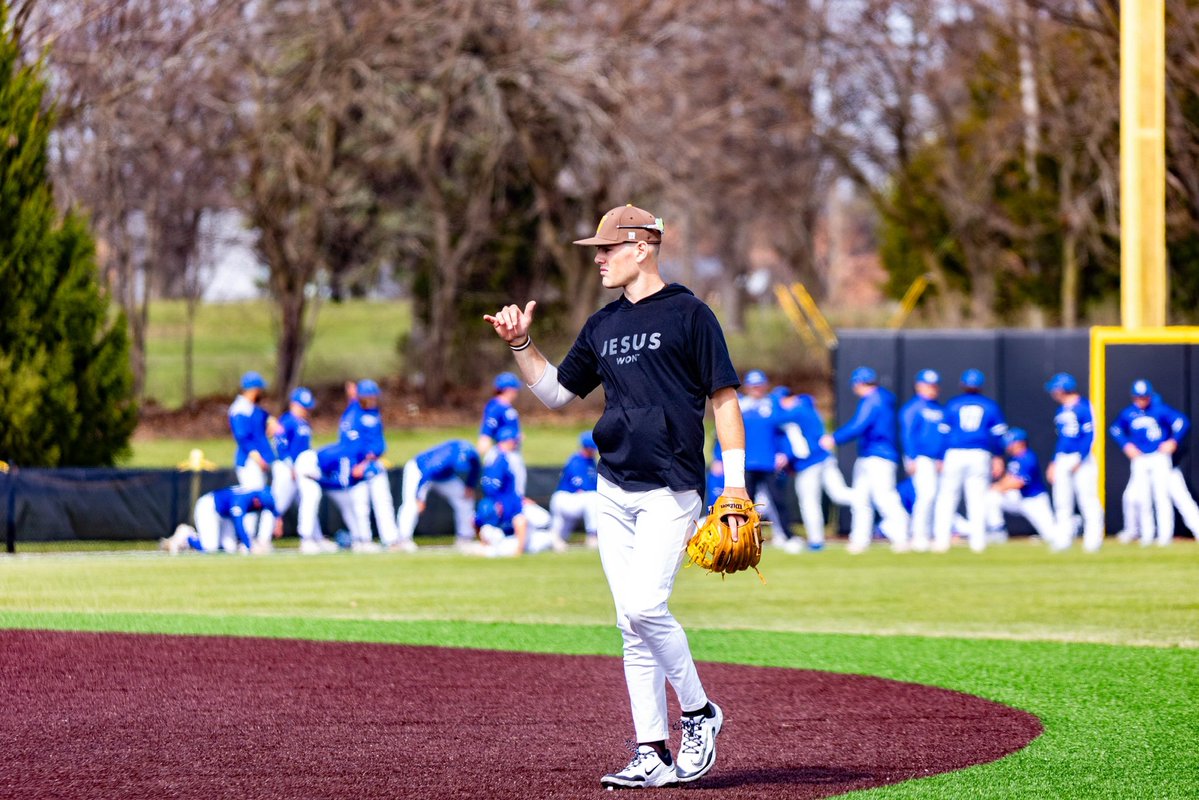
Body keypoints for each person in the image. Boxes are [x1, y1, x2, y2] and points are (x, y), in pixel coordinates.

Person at [483, 203, 745, 789]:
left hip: (671, 487)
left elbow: (724, 399)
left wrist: (735, 485)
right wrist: (521, 344)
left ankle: (699, 712)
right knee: (630, 622)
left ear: (642, 247)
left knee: (647, 607)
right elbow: (557, 393)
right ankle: (651, 750)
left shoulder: (690, 314)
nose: (598, 259)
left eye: (607, 248)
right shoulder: (602, 324)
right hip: (613, 486)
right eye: (597, 250)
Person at [820, 366, 909, 554]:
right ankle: (860, 540)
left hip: (878, 456)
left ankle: (901, 537)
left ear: (859, 383)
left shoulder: (873, 400)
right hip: (870, 455)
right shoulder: (882, 398)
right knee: (861, 499)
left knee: (884, 498)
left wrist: (834, 438)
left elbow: (859, 425)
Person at [933, 369, 1007, 553]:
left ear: (962, 385)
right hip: (979, 454)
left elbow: (943, 434)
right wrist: (998, 456)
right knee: (977, 499)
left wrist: (940, 456)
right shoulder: (989, 406)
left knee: (947, 497)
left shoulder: (953, 404)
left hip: (955, 453)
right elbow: (998, 435)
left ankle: (941, 541)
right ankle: (978, 542)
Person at [777, 391, 855, 551]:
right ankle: (865, 500)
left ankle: (816, 541)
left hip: (810, 463)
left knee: (809, 502)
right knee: (839, 493)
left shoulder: (798, 410)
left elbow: (774, 420)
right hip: (825, 458)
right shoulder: (808, 409)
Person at [734, 370, 800, 548]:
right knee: (745, 504)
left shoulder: (772, 405)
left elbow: (784, 431)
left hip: (768, 463)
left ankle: (788, 536)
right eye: (753, 386)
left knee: (778, 501)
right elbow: (726, 433)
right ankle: (743, 539)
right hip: (746, 462)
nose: (756, 389)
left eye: (759, 386)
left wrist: (785, 453)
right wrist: (719, 457)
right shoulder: (739, 405)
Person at [1110, 380, 1178, 546]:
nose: (1141, 400)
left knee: (1161, 496)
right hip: (1140, 458)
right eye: (1138, 397)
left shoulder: (1159, 409)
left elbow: (1181, 423)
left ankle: (1165, 536)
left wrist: (1173, 441)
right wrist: (1126, 445)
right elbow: (1115, 429)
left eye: (1144, 397)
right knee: (1142, 497)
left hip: (1159, 456)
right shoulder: (1129, 413)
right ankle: (1147, 535)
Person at [1043, 373, 1105, 552]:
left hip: (1081, 458)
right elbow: (1062, 439)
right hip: (1063, 457)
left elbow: (1090, 435)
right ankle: (1063, 539)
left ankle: (1093, 540)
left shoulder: (1084, 407)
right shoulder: (1061, 410)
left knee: (1088, 499)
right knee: (1062, 500)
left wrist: (1080, 457)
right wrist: (1054, 461)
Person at [474, 430, 561, 557]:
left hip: (506, 507)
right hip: (504, 512)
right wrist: (519, 551)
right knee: (538, 530)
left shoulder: (499, 456)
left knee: (542, 520)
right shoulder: (501, 459)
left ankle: (487, 548)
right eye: (514, 441)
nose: (516, 443)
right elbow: (494, 488)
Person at [339, 380, 400, 550]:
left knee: (383, 501)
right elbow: (348, 443)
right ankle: (363, 540)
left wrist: (377, 453)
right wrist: (356, 464)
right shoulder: (352, 414)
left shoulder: (375, 413)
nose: (373, 399)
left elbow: (379, 441)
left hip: (374, 464)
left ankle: (390, 539)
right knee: (361, 503)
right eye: (369, 397)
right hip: (358, 465)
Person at [396, 439, 481, 552]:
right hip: (419, 471)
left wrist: (470, 486)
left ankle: (465, 537)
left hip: (444, 476)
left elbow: (475, 469)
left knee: (465, 499)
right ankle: (403, 539)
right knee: (412, 504)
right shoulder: (444, 458)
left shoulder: (473, 455)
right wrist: (420, 498)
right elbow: (426, 475)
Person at [984, 428, 1059, 547]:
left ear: (1020, 443)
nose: (1008, 446)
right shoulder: (1015, 459)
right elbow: (1009, 478)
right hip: (1018, 498)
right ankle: (997, 530)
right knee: (991, 496)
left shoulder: (1027, 457)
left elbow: (1018, 482)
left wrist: (998, 487)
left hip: (1034, 500)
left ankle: (1074, 525)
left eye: (1011, 443)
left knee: (1051, 535)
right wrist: (997, 487)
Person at [899, 369, 945, 552]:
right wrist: (911, 457)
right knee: (926, 496)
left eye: (934, 385)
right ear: (919, 386)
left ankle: (930, 533)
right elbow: (907, 433)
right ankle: (918, 535)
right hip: (921, 458)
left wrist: (941, 457)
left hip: (937, 460)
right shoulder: (913, 407)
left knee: (935, 497)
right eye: (928, 385)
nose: (932, 389)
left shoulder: (939, 408)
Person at [302, 440, 375, 551]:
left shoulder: (355, 467)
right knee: (310, 501)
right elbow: (339, 483)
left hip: (321, 473)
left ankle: (359, 539)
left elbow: (339, 482)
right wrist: (318, 479)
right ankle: (307, 540)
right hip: (309, 464)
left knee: (350, 508)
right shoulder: (347, 459)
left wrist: (319, 480)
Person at [161, 485, 277, 555]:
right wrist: (249, 546)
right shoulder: (241, 500)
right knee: (210, 548)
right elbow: (239, 524)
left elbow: (273, 510)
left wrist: (277, 521)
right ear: (257, 501)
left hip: (225, 515)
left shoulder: (257, 496)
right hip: (209, 507)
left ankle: (192, 543)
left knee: (230, 549)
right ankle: (187, 536)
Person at [271, 387, 316, 540]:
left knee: (308, 500)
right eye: (303, 406)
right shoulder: (287, 421)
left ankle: (315, 537)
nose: (306, 410)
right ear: (294, 404)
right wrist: (290, 465)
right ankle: (262, 538)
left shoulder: (304, 423)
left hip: (300, 468)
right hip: (286, 468)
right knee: (278, 503)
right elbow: (280, 445)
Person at [548, 431, 600, 549]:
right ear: (587, 447)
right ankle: (592, 535)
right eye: (592, 448)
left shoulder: (591, 462)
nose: (595, 451)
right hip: (565, 498)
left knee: (562, 538)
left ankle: (556, 539)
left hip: (576, 499)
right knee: (593, 497)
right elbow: (584, 487)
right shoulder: (576, 461)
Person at [478, 372, 527, 495]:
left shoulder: (506, 406)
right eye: (515, 388)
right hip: (502, 453)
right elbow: (486, 432)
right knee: (505, 488)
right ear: (508, 389)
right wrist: (484, 452)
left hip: (512, 452)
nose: (516, 392)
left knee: (516, 485)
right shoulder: (495, 407)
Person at [228, 370, 276, 491]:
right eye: (260, 390)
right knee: (254, 495)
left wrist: (271, 421)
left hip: (259, 460)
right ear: (254, 390)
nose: (261, 393)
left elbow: (266, 417)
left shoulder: (252, 407)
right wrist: (257, 458)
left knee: (260, 494)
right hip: (249, 461)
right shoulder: (240, 409)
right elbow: (242, 437)